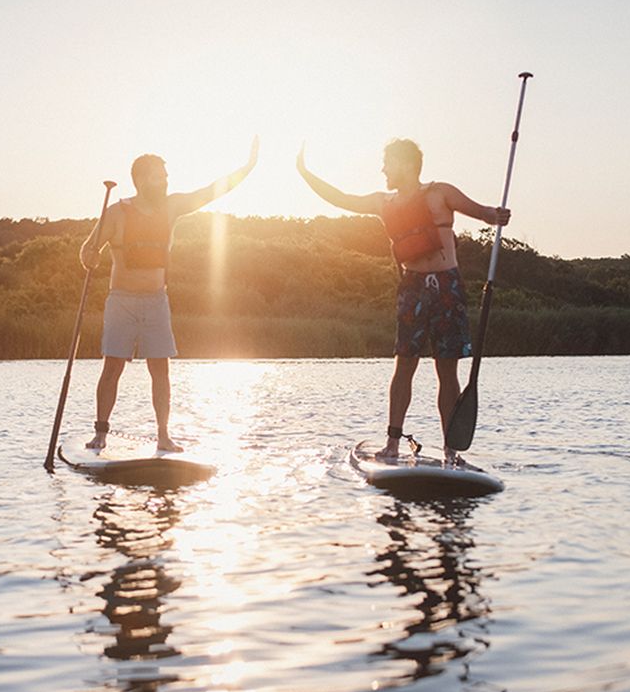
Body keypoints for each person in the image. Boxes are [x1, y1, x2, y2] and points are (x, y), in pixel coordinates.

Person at [296, 138, 510, 462]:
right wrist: (304, 173)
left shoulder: (441, 193)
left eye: (388, 162)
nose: (383, 169)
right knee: (404, 365)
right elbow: (340, 198)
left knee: (447, 371)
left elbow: (483, 213)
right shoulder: (383, 202)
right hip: (412, 288)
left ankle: (451, 450)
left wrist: (497, 215)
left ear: (407, 164)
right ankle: (392, 444)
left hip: (447, 289)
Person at [80, 137, 258, 451]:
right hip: (121, 299)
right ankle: (101, 433)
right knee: (113, 367)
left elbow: (211, 191)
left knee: (160, 369)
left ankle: (163, 436)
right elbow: (87, 250)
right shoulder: (117, 213)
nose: (163, 180)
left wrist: (247, 167)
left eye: (165, 175)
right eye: (157, 175)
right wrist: (89, 256)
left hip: (156, 300)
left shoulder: (171, 206)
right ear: (139, 179)